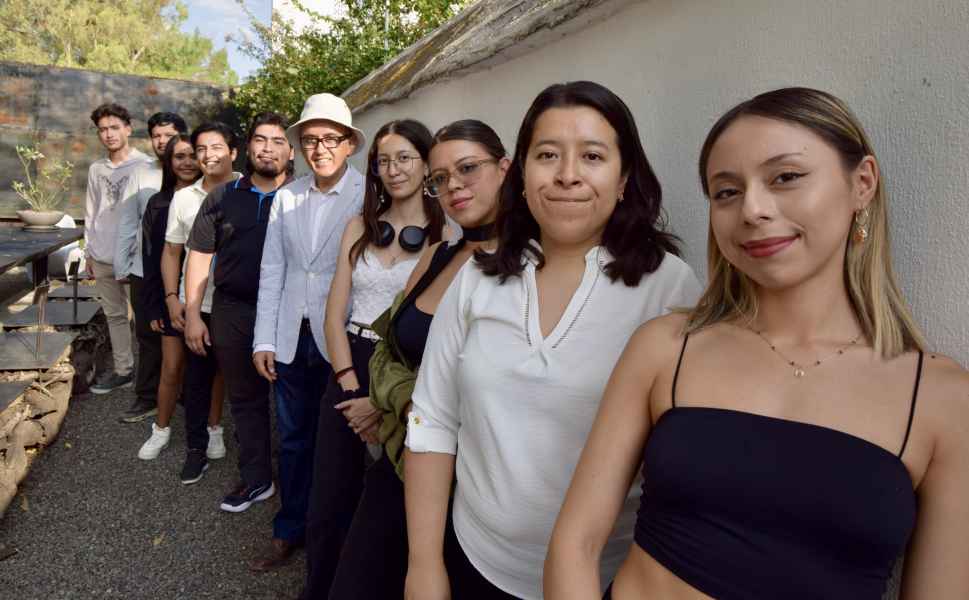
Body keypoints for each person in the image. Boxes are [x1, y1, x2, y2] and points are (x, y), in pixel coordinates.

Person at [544, 87, 969, 600]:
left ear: (862, 183)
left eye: (785, 177)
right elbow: (576, 543)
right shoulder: (665, 347)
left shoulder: (942, 398)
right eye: (726, 192)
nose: (753, 209)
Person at [403, 81, 701, 600]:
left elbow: (685, 464)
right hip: (476, 560)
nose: (567, 174)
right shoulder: (478, 277)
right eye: (547, 155)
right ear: (520, 175)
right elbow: (433, 420)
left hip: (607, 576)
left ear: (624, 178)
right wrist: (424, 565)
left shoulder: (669, 288)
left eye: (592, 156)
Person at [321, 119, 504, 600]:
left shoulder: (524, 265)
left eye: (468, 168)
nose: (454, 185)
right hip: (402, 455)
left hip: (464, 479)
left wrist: (394, 404)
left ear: (506, 169)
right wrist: (394, 402)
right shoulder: (439, 254)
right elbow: (388, 348)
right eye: (442, 178)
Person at [299, 119, 445, 597]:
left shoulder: (446, 236)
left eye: (404, 158)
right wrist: (350, 388)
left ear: (425, 163)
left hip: (405, 373)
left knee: (388, 505)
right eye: (383, 161)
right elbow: (333, 314)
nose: (393, 169)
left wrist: (379, 403)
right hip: (348, 366)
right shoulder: (358, 227)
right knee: (328, 500)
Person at [251, 93, 366, 571]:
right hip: (290, 337)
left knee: (343, 444)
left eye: (330, 139)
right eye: (311, 140)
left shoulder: (368, 194)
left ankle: (338, 535)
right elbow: (273, 268)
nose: (320, 148)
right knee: (294, 440)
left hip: (343, 338)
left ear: (349, 144)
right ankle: (290, 527)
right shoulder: (288, 196)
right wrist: (264, 338)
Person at [182, 112, 294, 522]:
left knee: (293, 399)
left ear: (291, 151)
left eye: (278, 141)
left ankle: (300, 484)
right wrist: (194, 314)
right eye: (261, 140)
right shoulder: (223, 197)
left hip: (288, 311)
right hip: (232, 310)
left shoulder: (303, 197)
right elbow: (199, 258)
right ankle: (257, 477)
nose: (268, 148)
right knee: (245, 400)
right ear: (248, 147)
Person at [162, 122, 239, 484]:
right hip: (199, 303)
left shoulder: (251, 190)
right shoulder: (184, 198)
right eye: (201, 149)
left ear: (233, 152)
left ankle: (225, 433)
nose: (208, 156)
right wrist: (173, 298)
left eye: (217, 147)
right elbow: (172, 251)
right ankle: (196, 449)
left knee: (240, 378)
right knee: (197, 378)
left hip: (240, 303)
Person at [114, 111, 188, 423]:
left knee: (185, 336)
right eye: (156, 136)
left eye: (168, 135)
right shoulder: (141, 174)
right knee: (147, 335)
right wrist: (122, 265)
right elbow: (128, 222)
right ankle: (147, 397)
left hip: (186, 272)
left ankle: (183, 394)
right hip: (144, 270)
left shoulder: (194, 170)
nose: (162, 141)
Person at [136, 134, 200, 460]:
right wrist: (156, 305)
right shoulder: (158, 204)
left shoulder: (213, 197)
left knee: (206, 371)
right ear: (168, 162)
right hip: (170, 297)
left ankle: (208, 430)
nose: (187, 162)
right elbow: (151, 258)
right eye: (179, 157)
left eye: (192, 155)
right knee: (171, 367)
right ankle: (161, 429)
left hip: (205, 297)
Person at [84, 103, 153, 395]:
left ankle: (154, 377)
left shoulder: (146, 165)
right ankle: (124, 370)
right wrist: (88, 251)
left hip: (134, 257)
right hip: (101, 254)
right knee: (114, 315)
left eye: (114, 127)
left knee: (145, 319)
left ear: (128, 129)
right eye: (103, 129)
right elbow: (91, 210)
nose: (109, 134)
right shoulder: (96, 168)